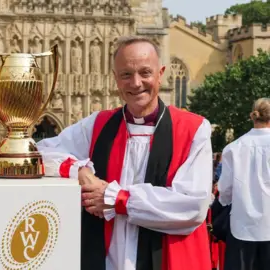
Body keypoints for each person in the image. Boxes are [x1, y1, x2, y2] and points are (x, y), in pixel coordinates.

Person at [37, 36, 213, 270]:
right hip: (107, 260)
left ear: (160, 74)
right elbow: (41, 150)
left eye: (145, 73)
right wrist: (78, 170)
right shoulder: (98, 125)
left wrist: (116, 199)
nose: (136, 83)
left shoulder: (194, 129)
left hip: (167, 260)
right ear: (116, 79)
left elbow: (192, 206)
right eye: (126, 75)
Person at [217, 98, 270, 270]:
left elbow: (225, 191)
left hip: (242, 224)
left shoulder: (234, 147)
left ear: (252, 116)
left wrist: (225, 203)